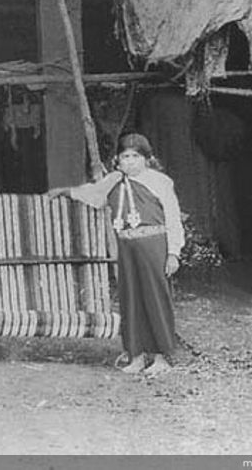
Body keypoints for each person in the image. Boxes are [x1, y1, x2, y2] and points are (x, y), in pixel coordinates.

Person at [50, 133, 184, 375]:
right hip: (126, 248)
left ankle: (161, 357)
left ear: (147, 159)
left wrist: (173, 253)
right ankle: (137, 355)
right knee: (130, 299)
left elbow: (173, 218)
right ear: (117, 160)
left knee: (155, 297)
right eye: (125, 157)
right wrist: (65, 191)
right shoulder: (112, 181)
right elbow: (91, 195)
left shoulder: (160, 182)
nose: (130, 162)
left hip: (153, 246)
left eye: (136, 156)